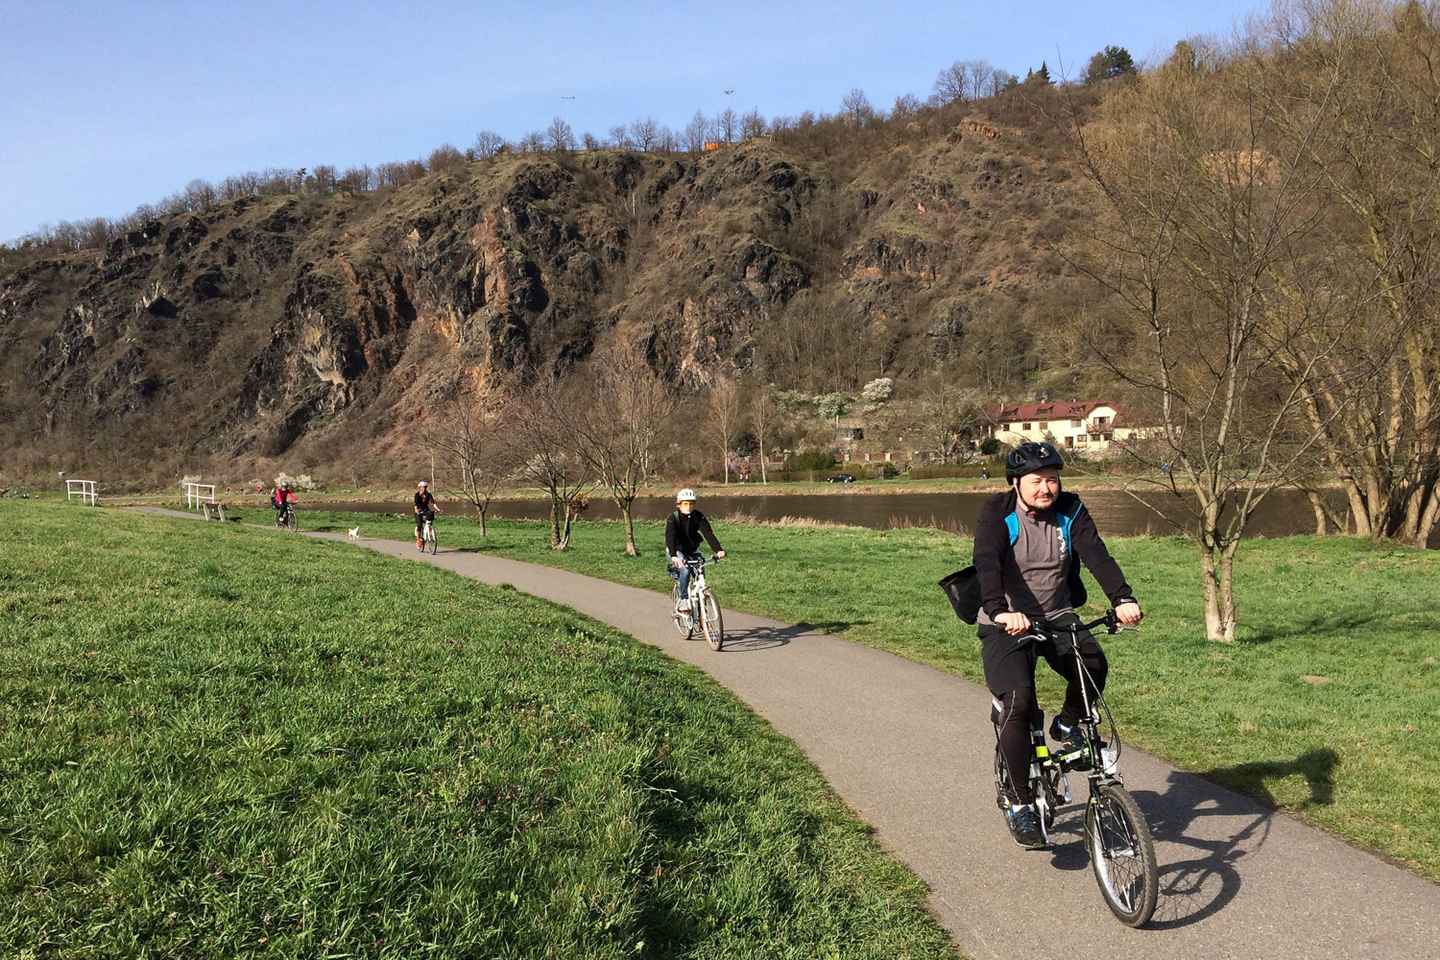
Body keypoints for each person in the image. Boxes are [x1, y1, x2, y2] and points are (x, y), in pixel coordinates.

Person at [973, 441, 1143, 849]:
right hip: (1006, 620)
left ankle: (1067, 722)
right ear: (1016, 483)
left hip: (1057, 613)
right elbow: (986, 563)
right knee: (1019, 702)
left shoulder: (1071, 509)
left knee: (1093, 665)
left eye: (1051, 479)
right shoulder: (997, 513)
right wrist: (999, 610)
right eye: (1036, 481)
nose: (1046, 488)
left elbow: (1096, 555)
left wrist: (1122, 598)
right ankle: (1020, 803)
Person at [665, 488, 726, 611]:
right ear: (679, 504)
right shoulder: (673, 518)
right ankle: (683, 599)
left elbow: (708, 533)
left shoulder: (698, 516)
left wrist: (718, 550)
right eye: (685, 503)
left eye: (691, 503)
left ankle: (701, 604)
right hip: (676, 550)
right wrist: (673, 555)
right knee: (685, 570)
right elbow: (670, 537)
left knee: (700, 568)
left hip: (692, 549)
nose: (688, 506)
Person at [414, 480, 438, 550]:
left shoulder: (428, 494)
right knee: (419, 525)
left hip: (426, 510)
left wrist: (437, 509)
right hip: (419, 511)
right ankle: (418, 540)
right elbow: (416, 505)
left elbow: (433, 503)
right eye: (423, 487)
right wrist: (417, 511)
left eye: (425, 487)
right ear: (420, 488)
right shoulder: (417, 495)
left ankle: (429, 533)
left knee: (430, 520)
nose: (424, 488)